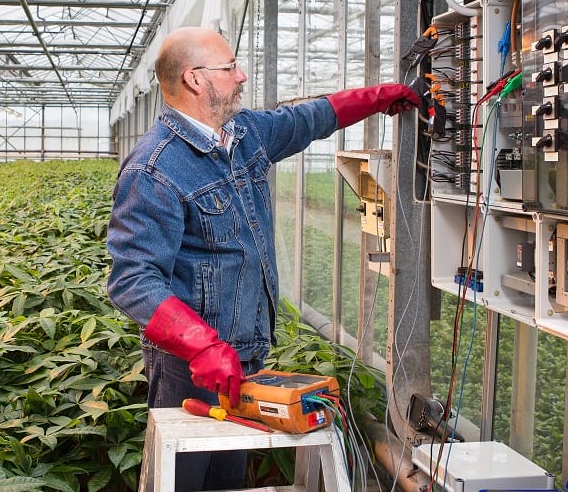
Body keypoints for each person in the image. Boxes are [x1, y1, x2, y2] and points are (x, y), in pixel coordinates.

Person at [106, 26, 418, 491]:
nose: (242, 76)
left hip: (245, 355)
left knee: (228, 475)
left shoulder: (244, 134)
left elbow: (307, 119)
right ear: (195, 79)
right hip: (190, 366)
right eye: (230, 68)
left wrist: (377, 98)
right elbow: (132, 278)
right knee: (186, 477)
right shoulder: (154, 169)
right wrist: (202, 345)